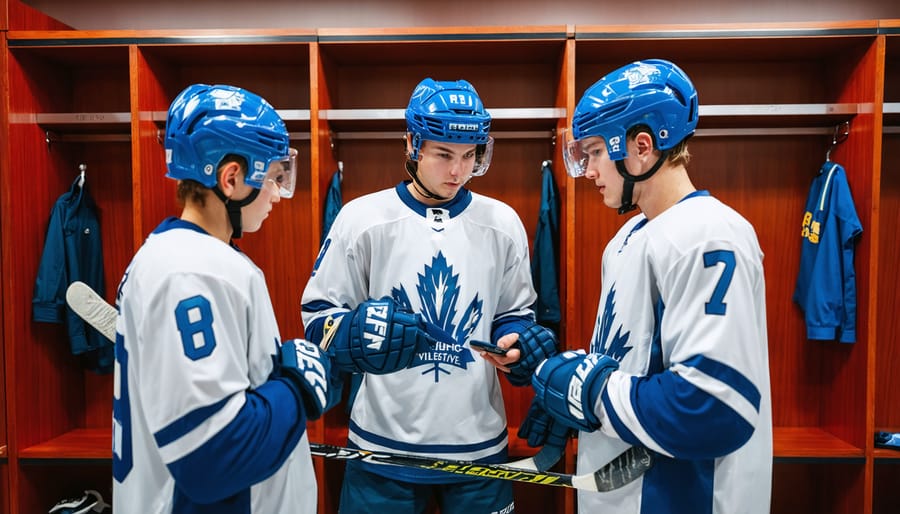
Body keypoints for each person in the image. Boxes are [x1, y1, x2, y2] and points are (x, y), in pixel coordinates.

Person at [300, 78, 560, 514]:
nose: (457, 171)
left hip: (478, 450)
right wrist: (354, 336)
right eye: (443, 155)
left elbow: (515, 312)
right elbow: (318, 316)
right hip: (382, 450)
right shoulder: (361, 218)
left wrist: (517, 342)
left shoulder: (503, 222)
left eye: (469, 156)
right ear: (412, 144)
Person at [526, 59, 773, 513]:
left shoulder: (710, 235)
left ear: (642, 146)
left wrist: (590, 393)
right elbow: (634, 363)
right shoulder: (629, 235)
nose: (588, 171)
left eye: (596, 151)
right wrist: (566, 389)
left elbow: (713, 407)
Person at [111, 83, 330, 513]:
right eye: (273, 177)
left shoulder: (184, 258)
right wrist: (297, 387)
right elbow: (212, 457)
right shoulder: (190, 271)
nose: (277, 194)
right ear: (231, 178)